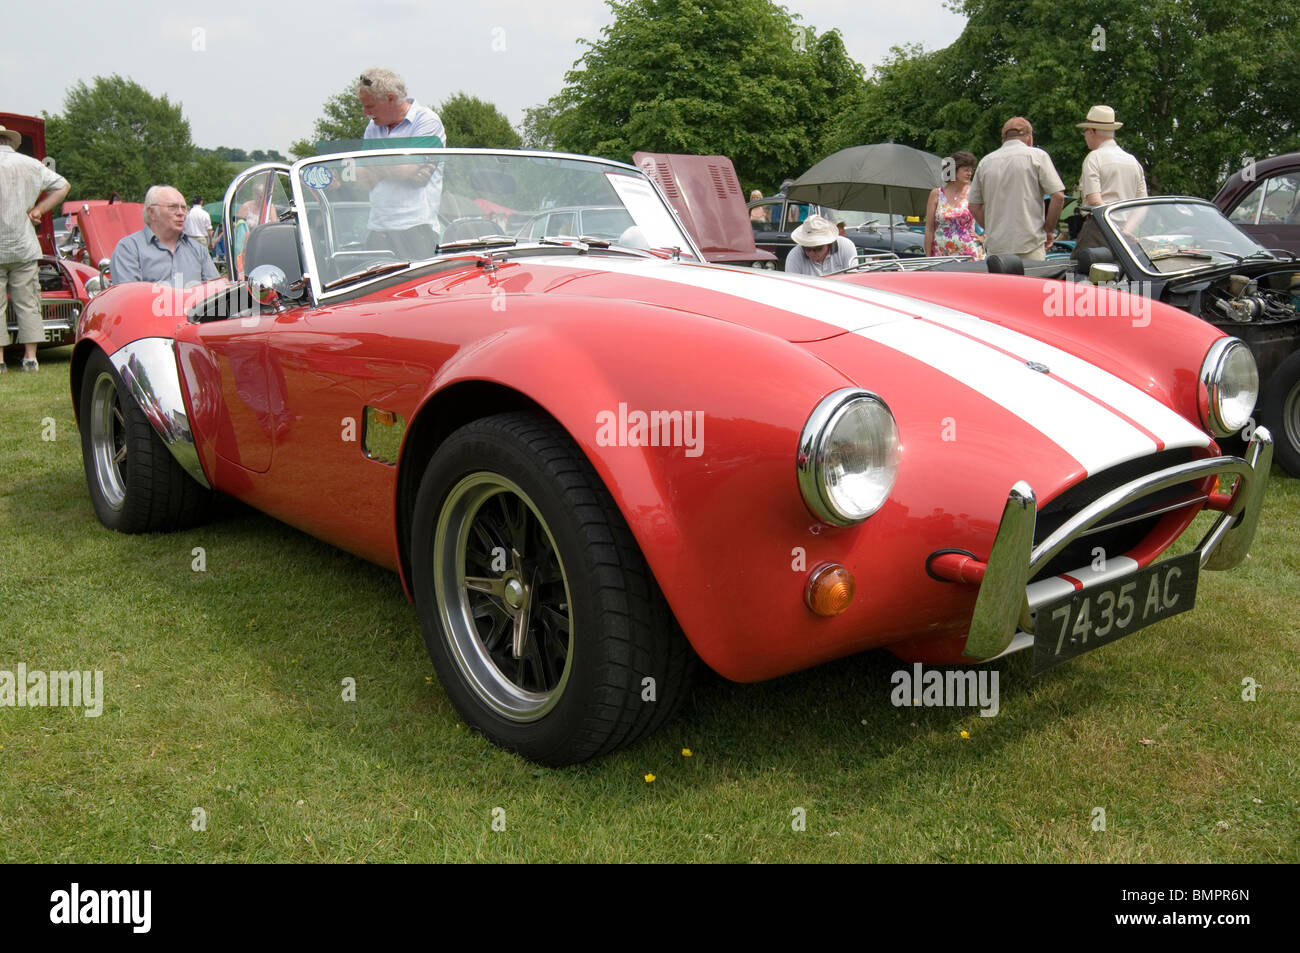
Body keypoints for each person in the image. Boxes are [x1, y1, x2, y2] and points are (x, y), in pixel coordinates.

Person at [356, 67, 447, 260]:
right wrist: (400, 169)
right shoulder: (373, 127)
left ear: (390, 98)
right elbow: (360, 180)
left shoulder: (427, 121)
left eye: (370, 106)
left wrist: (376, 168)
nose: (365, 112)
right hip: (377, 228)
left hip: (417, 230)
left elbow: (406, 169)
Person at [0, 124, 70, 373]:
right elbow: (63, 185)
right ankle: (30, 358)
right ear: (10, 141)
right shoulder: (30, 164)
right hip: (23, 243)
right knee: (28, 300)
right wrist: (39, 209)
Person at [968, 117, 1065, 260]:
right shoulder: (1037, 156)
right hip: (1030, 243)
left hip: (997, 247)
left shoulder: (986, 162)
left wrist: (992, 227)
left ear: (1003, 139)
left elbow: (974, 206)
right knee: (1031, 283)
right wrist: (1048, 230)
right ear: (1029, 138)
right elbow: (1058, 196)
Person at [110, 185, 219, 285]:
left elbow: (215, 292)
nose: (181, 213)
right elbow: (129, 299)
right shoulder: (129, 249)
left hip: (195, 306)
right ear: (151, 212)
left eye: (184, 208)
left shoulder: (198, 250)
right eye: (173, 207)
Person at [1074, 105, 1147, 252]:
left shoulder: (1093, 158)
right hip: (1126, 232)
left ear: (1091, 131)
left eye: (1085, 131)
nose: (1085, 136)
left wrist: (1113, 227)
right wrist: (1125, 231)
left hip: (1099, 228)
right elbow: (1142, 203)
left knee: (1076, 271)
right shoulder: (1132, 160)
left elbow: (1094, 200)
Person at [925, 151, 983, 260]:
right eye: (966, 170)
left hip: (969, 255)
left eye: (971, 170)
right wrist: (927, 258)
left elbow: (991, 215)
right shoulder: (936, 194)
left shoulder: (973, 193)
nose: (970, 173)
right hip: (940, 255)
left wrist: (984, 237)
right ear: (953, 170)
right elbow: (929, 229)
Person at [785, 214, 857, 277]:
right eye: (807, 249)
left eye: (818, 248)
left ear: (828, 243)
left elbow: (853, 279)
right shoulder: (794, 256)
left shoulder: (846, 246)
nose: (812, 253)